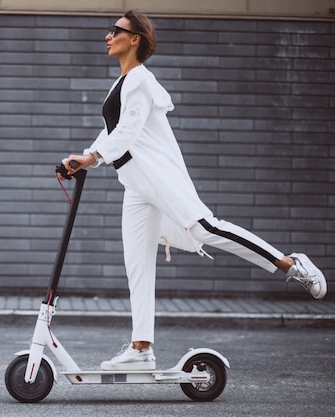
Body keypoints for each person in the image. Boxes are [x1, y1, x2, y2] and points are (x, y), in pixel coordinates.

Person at [58, 10, 327, 372]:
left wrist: (91, 158)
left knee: (206, 227)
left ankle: (290, 264)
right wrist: (84, 156)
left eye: (115, 30)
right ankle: (141, 349)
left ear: (134, 38)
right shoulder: (121, 83)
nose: (108, 36)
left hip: (159, 177)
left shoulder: (140, 80)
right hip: (136, 182)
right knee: (136, 262)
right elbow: (113, 132)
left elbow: (128, 133)